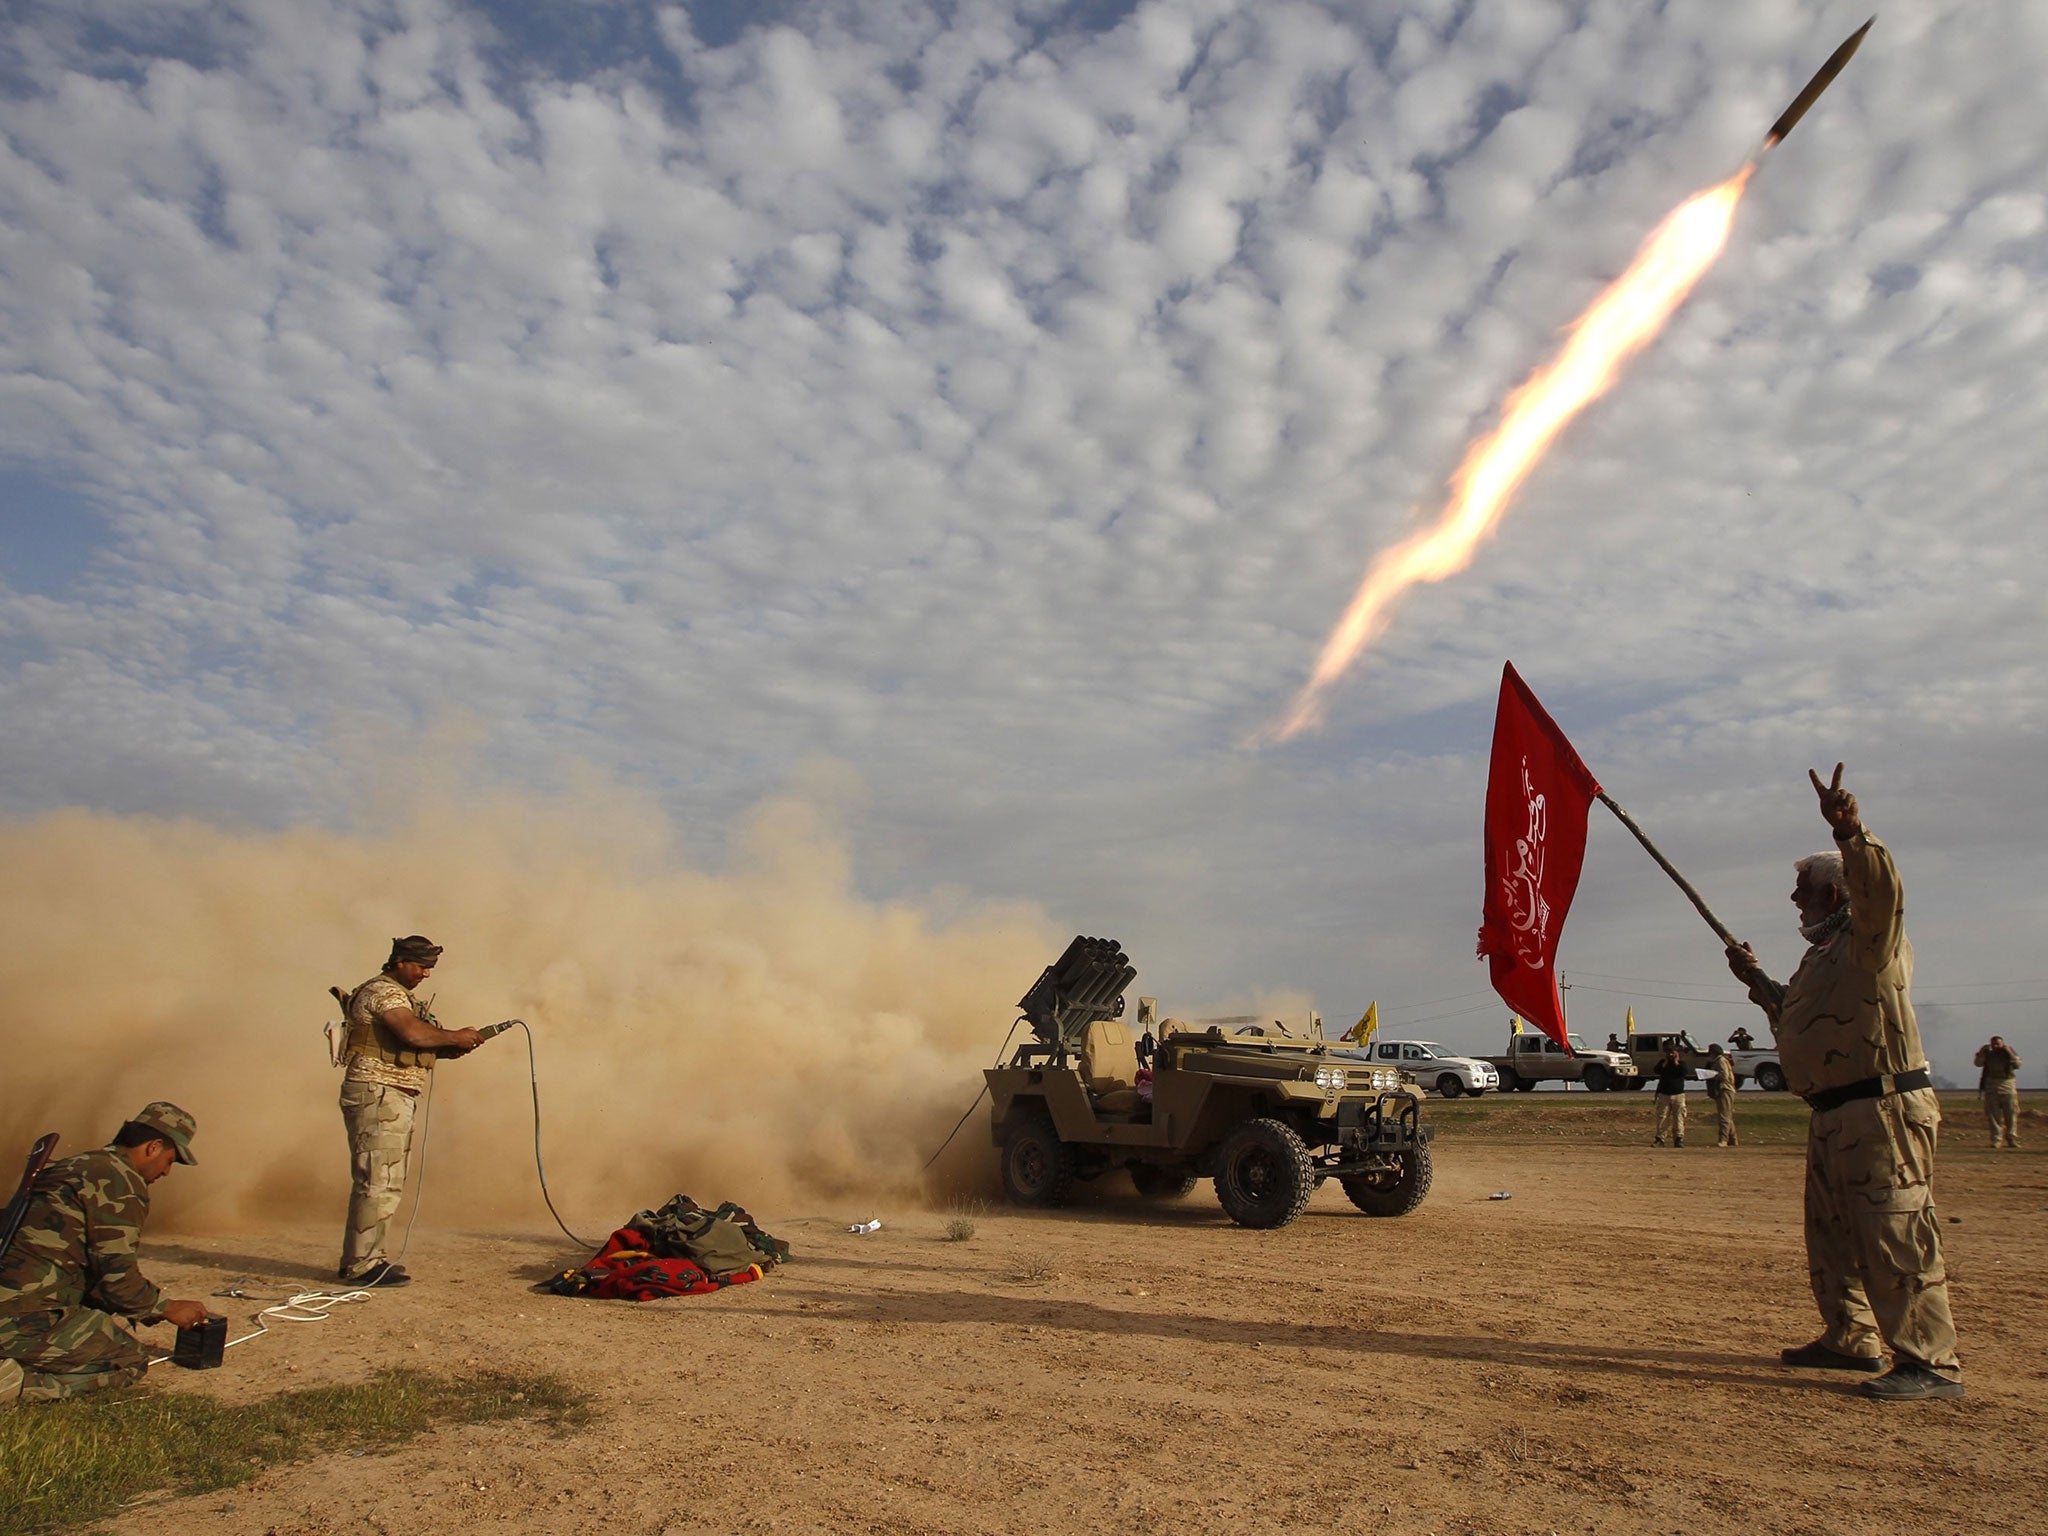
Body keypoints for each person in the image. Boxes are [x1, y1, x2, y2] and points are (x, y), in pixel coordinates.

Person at [1725, 763, 1963, 1401]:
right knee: (1830, 1230)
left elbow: (1881, 892)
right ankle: (1849, 1337)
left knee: (1894, 1229)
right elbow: (1808, 1026)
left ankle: (1929, 1361)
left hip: (1881, 1110)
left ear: (1835, 893)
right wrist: (1760, 985)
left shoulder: (1871, 939)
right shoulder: (1819, 959)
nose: (1794, 898)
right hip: (1833, 1114)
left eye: (1802, 888)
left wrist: (1852, 834)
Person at [0, 1104, 212, 1406]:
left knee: (95, 1324)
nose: (166, 1171)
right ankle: (13, 1383)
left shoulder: (75, 1165)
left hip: (14, 1305)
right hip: (19, 1318)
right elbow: (117, 1279)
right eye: (169, 1161)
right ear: (153, 1147)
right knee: (127, 1360)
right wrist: (167, 1307)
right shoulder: (119, 1183)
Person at [336, 935, 483, 1287]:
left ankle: (369, 1258)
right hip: (378, 1091)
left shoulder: (400, 996)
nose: (426, 974)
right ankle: (361, 1266)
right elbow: (412, 1033)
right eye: (421, 966)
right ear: (399, 962)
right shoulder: (383, 992)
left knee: (385, 1179)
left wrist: (451, 1045)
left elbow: (415, 1042)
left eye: (430, 968)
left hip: (393, 1093)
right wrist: (453, 1036)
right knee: (378, 1179)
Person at [1974, 1035, 2023, 1149]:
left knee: (2011, 1114)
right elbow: (1978, 1063)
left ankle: (2011, 1138)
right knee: (1993, 1115)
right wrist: (1981, 1052)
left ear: (2002, 1044)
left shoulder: (2008, 1052)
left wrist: (2009, 1052)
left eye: (1998, 1044)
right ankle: (1996, 1139)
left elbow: (2018, 1065)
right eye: (1993, 1044)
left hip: (2007, 1085)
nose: (1995, 1046)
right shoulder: (1988, 1054)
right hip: (1991, 1086)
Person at [1651, 1043, 1689, 1146]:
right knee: (1662, 1117)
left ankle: (1678, 1138)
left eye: (1672, 1052)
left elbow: (1684, 1072)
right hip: (1664, 1094)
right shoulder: (1663, 1063)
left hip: (1678, 1095)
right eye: (1668, 1053)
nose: (1670, 1055)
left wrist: (1676, 1061)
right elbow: (1656, 1070)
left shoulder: (1681, 1064)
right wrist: (1666, 1062)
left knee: (1679, 1118)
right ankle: (1660, 1139)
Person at [1705, 1043, 1740, 1147]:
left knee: (1724, 1116)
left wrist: (1711, 1075)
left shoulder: (1720, 1061)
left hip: (1725, 1089)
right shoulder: (1719, 1061)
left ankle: (1723, 1139)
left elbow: (1724, 1075)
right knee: (1727, 1115)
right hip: (1723, 1089)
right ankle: (1733, 1140)